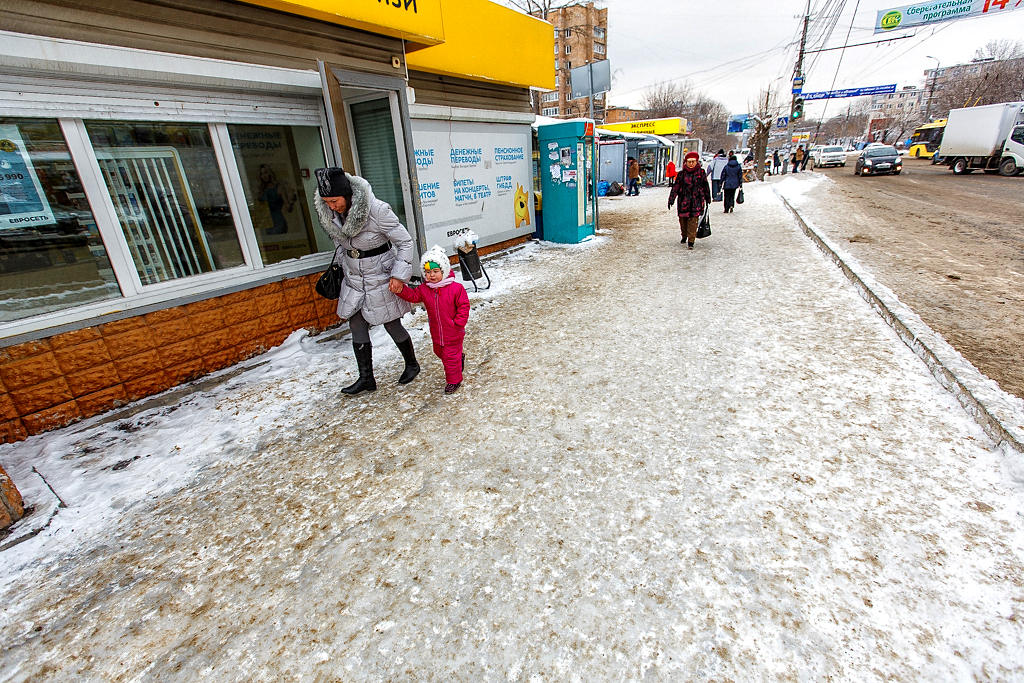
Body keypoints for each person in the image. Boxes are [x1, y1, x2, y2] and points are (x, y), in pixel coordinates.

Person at [314, 167, 419, 395]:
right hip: (354, 278)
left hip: (381, 276)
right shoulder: (331, 213)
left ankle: (412, 364)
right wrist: (344, 263)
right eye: (326, 201)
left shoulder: (378, 210)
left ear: (347, 194)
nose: (331, 206)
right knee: (356, 324)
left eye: (334, 200)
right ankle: (366, 378)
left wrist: (399, 276)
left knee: (391, 323)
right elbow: (339, 242)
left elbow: (405, 242)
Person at [391, 246, 470, 394]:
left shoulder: (455, 288)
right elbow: (414, 296)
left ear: (443, 271)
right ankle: (459, 357)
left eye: (435, 272)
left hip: (453, 331)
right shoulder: (425, 289)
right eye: (428, 272)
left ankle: (454, 380)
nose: (431, 275)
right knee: (439, 351)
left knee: (449, 358)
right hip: (437, 332)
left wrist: (458, 323)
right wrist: (401, 289)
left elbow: (464, 306)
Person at [668, 151, 711, 250]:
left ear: (697, 162)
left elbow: (705, 186)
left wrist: (707, 198)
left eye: (693, 161)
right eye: (689, 161)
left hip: (696, 202)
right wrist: (671, 199)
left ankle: (691, 240)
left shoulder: (701, 173)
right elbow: (676, 187)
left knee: (693, 222)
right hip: (684, 202)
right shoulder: (681, 174)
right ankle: (684, 235)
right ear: (685, 162)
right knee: (683, 221)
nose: (691, 164)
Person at [257, 164, 295, 235]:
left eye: (266, 172)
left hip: (277, 223)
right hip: (265, 223)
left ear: (270, 173)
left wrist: (291, 202)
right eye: (262, 174)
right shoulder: (262, 191)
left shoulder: (279, 188)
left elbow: (288, 208)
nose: (264, 176)